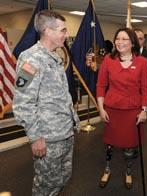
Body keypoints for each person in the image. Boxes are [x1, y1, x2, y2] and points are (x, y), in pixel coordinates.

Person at [12, 10, 80, 196]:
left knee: (62, 179)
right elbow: (23, 102)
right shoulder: (31, 59)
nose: (66, 35)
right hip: (48, 137)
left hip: (64, 132)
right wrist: (35, 137)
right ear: (48, 31)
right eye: (63, 30)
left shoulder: (56, 57)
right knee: (46, 185)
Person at [96, 27, 147, 189]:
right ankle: (107, 169)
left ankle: (128, 171)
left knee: (130, 146)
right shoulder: (108, 60)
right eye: (117, 39)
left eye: (124, 39)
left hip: (133, 112)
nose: (120, 42)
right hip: (112, 110)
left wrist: (144, 110)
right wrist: (101, 108)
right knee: (109, 144)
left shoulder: (142, 62)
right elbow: (100, 85)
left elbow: (146, 88)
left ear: (132, 42)